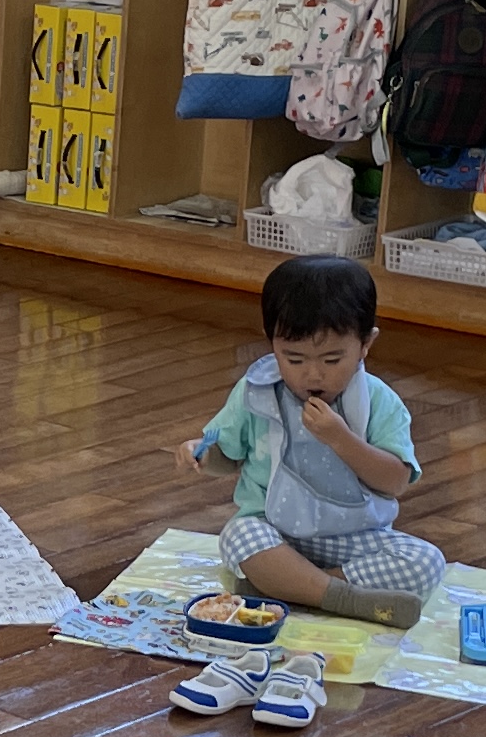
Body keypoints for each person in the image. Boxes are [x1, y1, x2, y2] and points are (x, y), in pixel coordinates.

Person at [184, 253, 438, 624]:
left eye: (332, 360)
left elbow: (395, 481)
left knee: (426, 562)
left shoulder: (379, 401)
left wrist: (341, 438)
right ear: (272, 344)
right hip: (276, 535)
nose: (313, 375)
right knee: (239, 535)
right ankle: (343, 598)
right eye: (294, 359)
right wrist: (202, 456)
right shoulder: (257, 394)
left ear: (366, 343)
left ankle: (287, 587)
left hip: (354, 538)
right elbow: (228, 458)